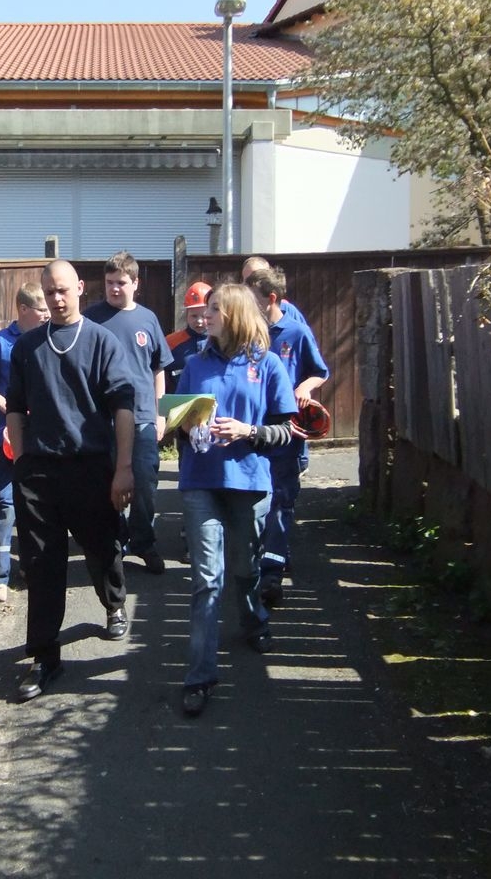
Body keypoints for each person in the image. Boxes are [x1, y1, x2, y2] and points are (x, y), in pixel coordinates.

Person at [5, 259, 136, 701]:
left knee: (102, 547)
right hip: (39, 472)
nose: (57, 299)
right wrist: (22, 460)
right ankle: (45, 657)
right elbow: (15, 408)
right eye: (49, 292)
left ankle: (114, 602)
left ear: (80, 288)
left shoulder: (102, 342)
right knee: (42, 565)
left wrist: (123, 468)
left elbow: (123, 407)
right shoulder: (27, 347)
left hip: (90, 466)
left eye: (63, 290)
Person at [175, 283, 298, 717]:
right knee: (207, 580)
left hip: (248, 481)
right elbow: (177, 423)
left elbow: (287, 432)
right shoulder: (193, 365)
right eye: (205, 309)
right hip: (200, 481)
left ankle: (253, 619)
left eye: (213, 309)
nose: (204, 315)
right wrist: (185, 426)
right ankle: (199, 677)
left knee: (246, 568)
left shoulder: (267, 365)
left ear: (235, 314)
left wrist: (248, 431)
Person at [245, 266, 330, 608]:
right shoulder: (247, 332)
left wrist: (304, 388)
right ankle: (254, 565)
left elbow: (320, 371)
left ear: (271, 299)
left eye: (253, 299)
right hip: (254, 433)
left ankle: (272, 575)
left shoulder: (296, 332)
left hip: (289, 434)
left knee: (282, 502)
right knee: (256, 502)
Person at [83, 251, 172, 574]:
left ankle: (144, 541)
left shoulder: (148, 319)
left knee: (145, 481)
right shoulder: (91, 318)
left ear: (135, 283)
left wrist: (161, 413)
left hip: (143, 415)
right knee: (105, 483)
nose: (114, 288)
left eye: (120, 282)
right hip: (102, 418)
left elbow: (159, 369)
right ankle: (115, 540)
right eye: (109, 282)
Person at [0, 282, 50, 606]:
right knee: (4, 504)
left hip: (41, 438)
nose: (47, 315)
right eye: (42, 310)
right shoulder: (1, 342)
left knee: (36, 505)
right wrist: (8, 406)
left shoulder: (50, 339)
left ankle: (31, 569)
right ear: (23, 309)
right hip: (6, 438)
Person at [163, 281, 212, 395]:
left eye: (204, 316)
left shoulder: (220, 342)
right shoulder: (170, 342)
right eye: (194, 316)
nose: (199, 321)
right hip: (179, 402)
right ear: (186, 314)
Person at [241, 255, 308, 326]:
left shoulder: (288, 310)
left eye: (258, 277)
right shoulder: (239, 311)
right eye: (246, 281)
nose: (250, 285)